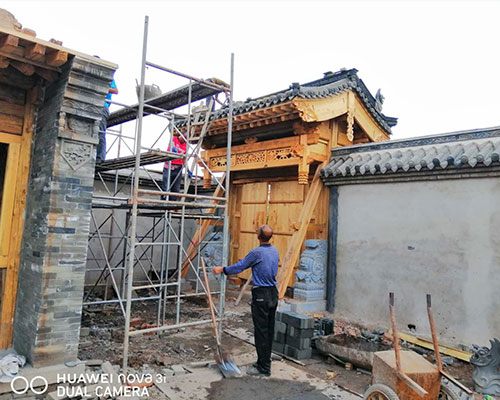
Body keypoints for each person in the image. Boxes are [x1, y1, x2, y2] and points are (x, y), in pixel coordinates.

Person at [213, 225, 279, 377]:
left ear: (258, 236)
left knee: (261, 331)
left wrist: (222, 269)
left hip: (261, 294)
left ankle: (263, 368)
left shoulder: (257, 253)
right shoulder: (274, 250)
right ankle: (264, 361)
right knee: (268, 330)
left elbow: (240, 267)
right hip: (273, 293)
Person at [96, 79, 118, 163]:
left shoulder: (110, 78)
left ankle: (100, 157)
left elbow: (115, 90)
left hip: (102, 106)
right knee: (93, 131)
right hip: (94, 105)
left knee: (100, 132)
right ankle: (95, 155)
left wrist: (101, 88)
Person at [162, 135, 187, 201]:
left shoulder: (185, 144)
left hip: (178, 167)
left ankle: (173, 206)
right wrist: (173, 149)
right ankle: (164, 204)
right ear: (180, 135)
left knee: (176, 188)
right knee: (166, 186)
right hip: (169, 165)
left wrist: (187, 169)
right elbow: (171, 147)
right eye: (184, 137)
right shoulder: (174, 139)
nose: (184, 139)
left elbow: (184, 157)